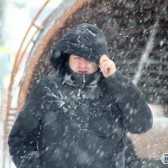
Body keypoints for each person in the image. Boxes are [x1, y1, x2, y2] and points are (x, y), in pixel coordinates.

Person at [8, 23, 153, 168]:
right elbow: (20, 140)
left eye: (89, 59)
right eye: (77, 57)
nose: (82, 64)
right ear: (67, 57)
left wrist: (115, 78)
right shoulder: (47, 89)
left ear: (100, 61)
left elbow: (142, 125)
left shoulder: (114, 89)